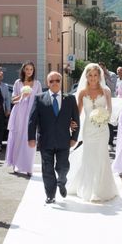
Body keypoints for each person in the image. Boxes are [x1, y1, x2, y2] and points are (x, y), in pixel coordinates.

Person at [66, 64, 117, 202]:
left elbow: (110, 109)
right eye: (90, 75)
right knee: (89, 156)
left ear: (99, 76)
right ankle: (88, 188)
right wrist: (72, 123)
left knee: (101, 156)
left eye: (95, 75)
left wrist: (104, 118)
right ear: (86, 77)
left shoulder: (106, 90)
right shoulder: (82, 92)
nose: (93, 78)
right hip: (88, 128)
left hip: (102, 128)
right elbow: (78, 112)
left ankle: (99, 190)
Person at [28, 71, 80, 204]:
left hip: (64, 140)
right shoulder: (39, 98)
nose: (55, 83)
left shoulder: (70, 99)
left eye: (57, 80)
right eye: (51, 81)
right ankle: (50, 194)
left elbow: (76, 119)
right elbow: (32, 120)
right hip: (46, 140)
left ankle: (61, 182)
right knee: (47, 169)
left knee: (63, 167)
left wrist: (74, 137)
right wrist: (31, 138)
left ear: (61, 82)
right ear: (47, 83)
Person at [6, 61, 42, 176]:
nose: (29, 71)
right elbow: (13, 100)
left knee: (30, 139)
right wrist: (22, 96)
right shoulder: (18, 83)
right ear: (23, 70)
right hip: (19, 114)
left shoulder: (37, 84)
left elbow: (40, 100)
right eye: (27, 69)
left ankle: (28, 167)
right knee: (17, 139)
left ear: (33, 71)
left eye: (31, 69)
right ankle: (16, 164)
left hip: (31, 115)